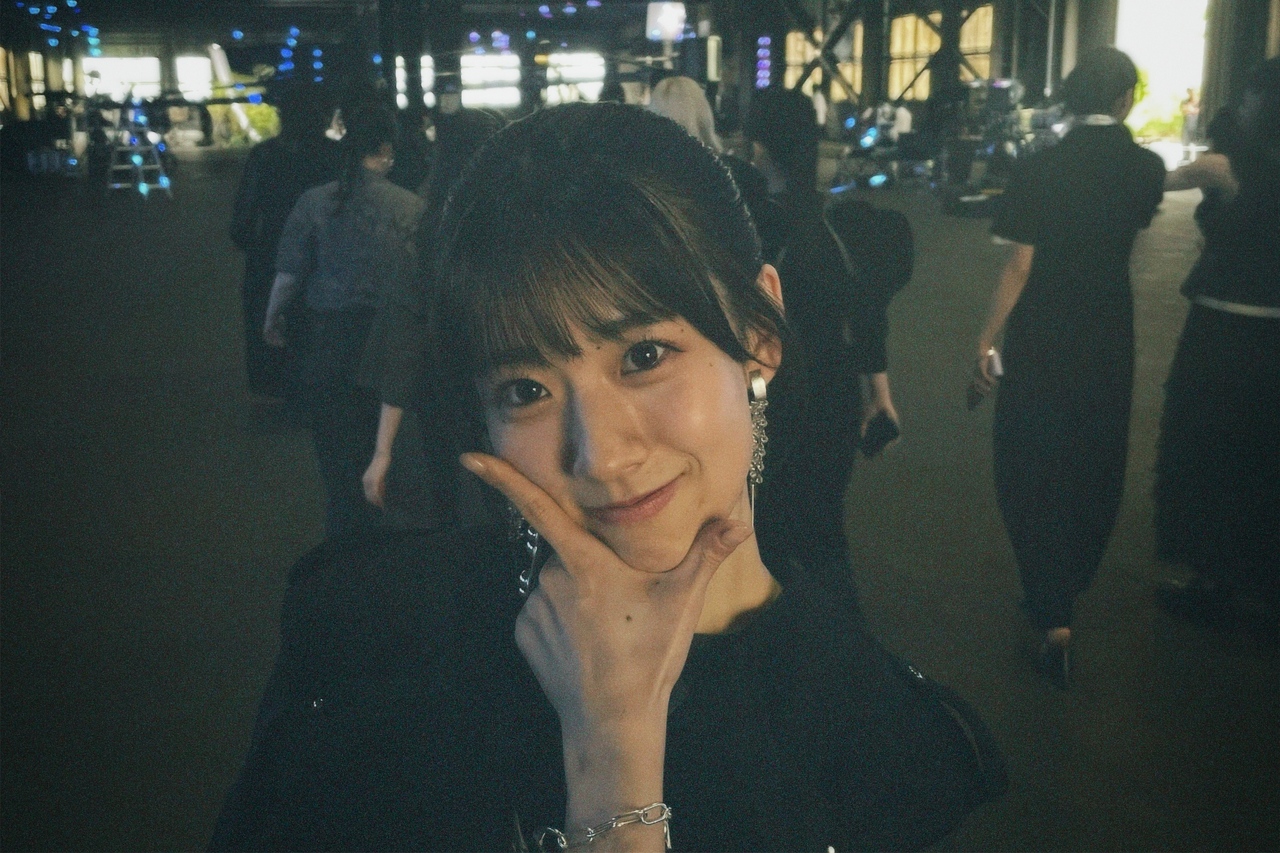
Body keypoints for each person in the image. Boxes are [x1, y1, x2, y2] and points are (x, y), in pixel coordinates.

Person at [211, 103, 1004, 851]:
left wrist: (615, 774)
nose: (600, 456)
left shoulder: (893, 755)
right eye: (526, 390)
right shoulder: (366, 643)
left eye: (644, 356)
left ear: (760, 334)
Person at [970, 47, 1165, 688]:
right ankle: (1068, 591)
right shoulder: (1146, 168)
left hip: (1042, 334)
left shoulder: (1039, 167)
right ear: (1124, 99)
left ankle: (1047, 599)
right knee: (1094, 456)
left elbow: (1019, 266)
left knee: (1030, 457)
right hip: (1108, 332)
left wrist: (986, 342)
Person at [743, 86, 905, 584]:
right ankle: (833, 618)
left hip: (770, 399)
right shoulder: (838, 224)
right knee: (823, 527)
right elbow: (866, 313)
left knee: (767, 527)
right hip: (836, 395)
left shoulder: (751, 228)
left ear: (757, 147)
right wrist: (881, 397)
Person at [1153, 58, 1280, 626]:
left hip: (1224, 330)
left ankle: (1215, 582)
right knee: (1263, 458)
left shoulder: (1228, 167)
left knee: (1208, 454)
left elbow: (1151, 181)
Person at [263, 103, 425, 541]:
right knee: (387, 451)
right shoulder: (411, 208)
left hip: (327, 340)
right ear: (386, 151)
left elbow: (289, 273)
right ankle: (389, 537)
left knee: (336, 453)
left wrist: (272, 318)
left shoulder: (315, 201)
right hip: (387, 341)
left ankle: (346, 538)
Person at [362, 109, 506, 524]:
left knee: (449, 491)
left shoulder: (427, 234)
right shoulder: (526, 227)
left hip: (443, 388)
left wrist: (383, 450)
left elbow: (403, 343)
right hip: (512, 384)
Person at [229, 84, 339, 402]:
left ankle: (274, 387)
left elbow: (242, 222)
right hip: (324, 257)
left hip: (271, 254)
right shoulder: (334, 156)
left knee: (270, 322)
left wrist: (258, 249)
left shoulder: (264, 156)